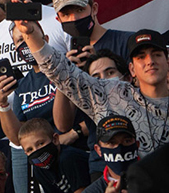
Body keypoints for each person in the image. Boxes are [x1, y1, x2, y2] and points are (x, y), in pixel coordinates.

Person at [16, 16, 169, 156]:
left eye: (156, 54)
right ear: (132, 69)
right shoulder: (113, 94)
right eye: (141, 57)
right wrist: (31, 35)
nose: (150, 61)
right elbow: (61, 72)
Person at [53, 0, 134, 62]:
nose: (74, 18)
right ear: (59, 20)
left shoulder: (127, 42)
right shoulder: (66, 63)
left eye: (80, 10)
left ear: (94, 9)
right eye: (66, 14)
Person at [17, 118, 90, 193]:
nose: (36, 151)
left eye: (41, 144)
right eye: (30, 149)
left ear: (55, 139)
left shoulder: (69, 158)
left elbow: (83, 190)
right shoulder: (39, 169)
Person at [83, 115, 140, 193]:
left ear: (137, 145)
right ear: (98, 150)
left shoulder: (158, 178)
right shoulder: (92, 191)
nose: (119, 148)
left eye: (127, 141)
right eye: (112, 143)